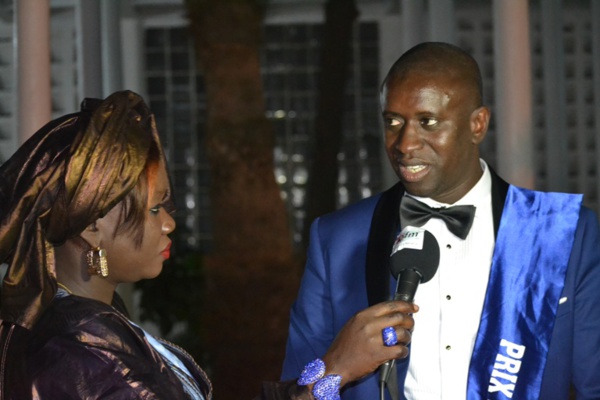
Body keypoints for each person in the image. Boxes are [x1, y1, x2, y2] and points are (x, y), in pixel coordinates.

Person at [0, 90, 417, 400]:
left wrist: (332, 370)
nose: (168, 223)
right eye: (153, 209)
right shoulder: (81, 353)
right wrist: (334, 370)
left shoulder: (89, 326)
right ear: (92, 225)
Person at [281, 42, 600, 399]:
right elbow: (295, 389)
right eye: (393, 122)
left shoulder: (561, 232)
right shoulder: (337, 238)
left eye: (427, 122)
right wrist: (337, 368)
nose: (405, 144)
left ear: (477, 124)